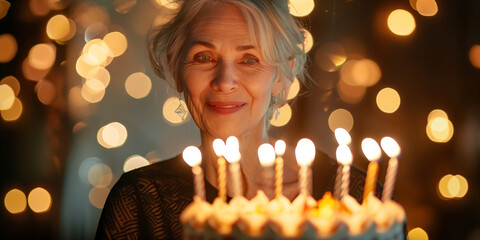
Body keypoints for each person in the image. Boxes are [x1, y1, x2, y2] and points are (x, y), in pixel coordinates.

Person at [95, 0, 380, 239]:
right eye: (204, 57)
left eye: (250, 59)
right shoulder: (142, 201)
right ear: (177, 69)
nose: (224, 81)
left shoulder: (355, 198)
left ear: (283, 76)